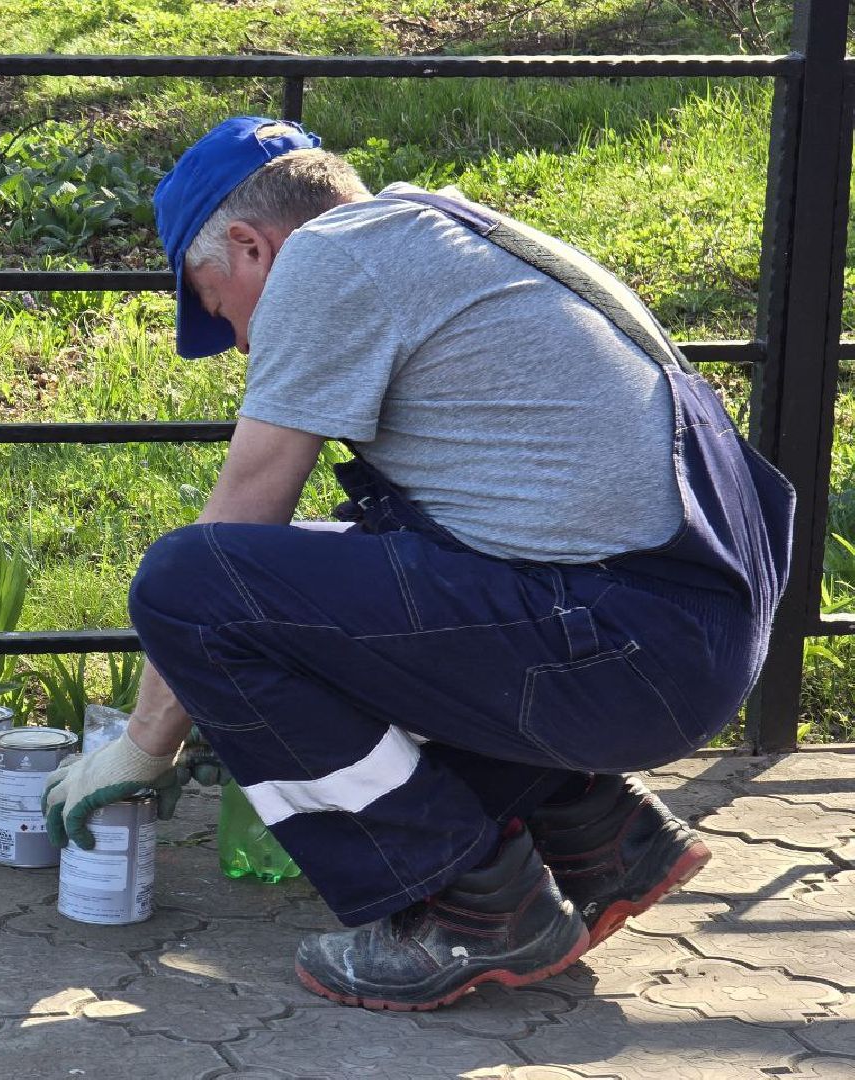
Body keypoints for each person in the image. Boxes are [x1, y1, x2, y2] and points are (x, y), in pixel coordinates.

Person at [42, 116, 795, 1011]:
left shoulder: (328, 261)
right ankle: (595, 824)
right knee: (326, 569)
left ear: (251, 246)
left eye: (219, 307)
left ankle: (475, 905)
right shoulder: (446, 231)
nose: (240, 345)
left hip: (626, 645)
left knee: (190, 587)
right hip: (683, 634)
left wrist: (141, 747)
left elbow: (240, 518)